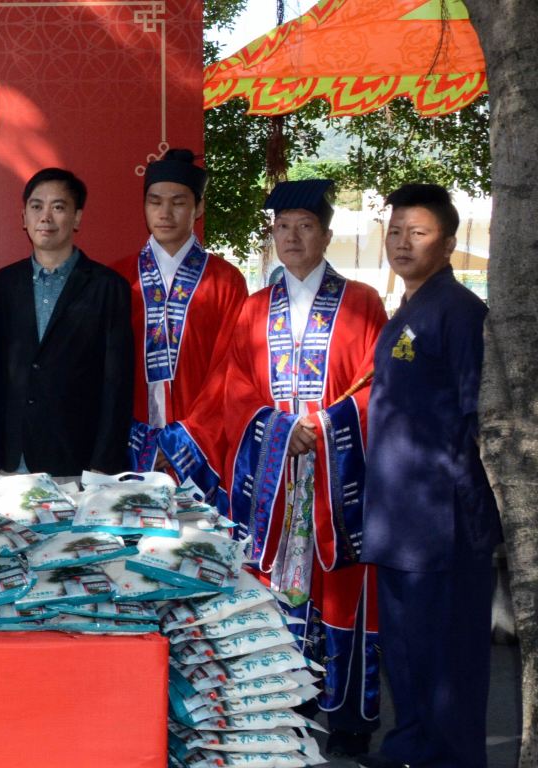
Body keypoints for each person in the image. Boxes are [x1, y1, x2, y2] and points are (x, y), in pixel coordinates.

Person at [152, 180, 388, 755]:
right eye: (283, 227)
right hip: (275, 479)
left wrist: (323, 428)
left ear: (326, 234)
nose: (293, 237)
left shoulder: (361, 303)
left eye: (305, 226)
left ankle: (349, 720)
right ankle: (284, 707)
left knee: (341, 589)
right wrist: (280, 431)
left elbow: (377, 385)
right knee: (277, 589)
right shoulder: (254, 309)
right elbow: (231, 388)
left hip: (336, 479)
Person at [362, 183, 500, 768]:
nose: (403, 243)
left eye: (418, 233)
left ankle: (448, 758)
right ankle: (408, 750)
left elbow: (479, 420)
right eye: (395, 231)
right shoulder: (408, 309)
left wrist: (469, 518)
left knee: (448, 662)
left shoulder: (461, 313)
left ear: (447, 244)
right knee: (407, 653)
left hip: (442, 524)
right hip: (398, 520)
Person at [0, 168, 133, 475]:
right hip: (11, 458)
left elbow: (117, 385)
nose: (45, 217)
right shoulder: (2, 284)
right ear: (24, 217)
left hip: (76, 460)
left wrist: (102, 466)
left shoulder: (108, 287)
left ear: (77, 217)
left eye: (58, 207)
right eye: (36, 206)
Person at [118, 148, 247, 469]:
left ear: (198, 207)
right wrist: (131, 435)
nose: (165, 213)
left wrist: (187, 436)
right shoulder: (118, 277)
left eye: (178, 203)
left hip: (200, 442)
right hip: (128, 439)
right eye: (155, 202)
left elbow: (230, 370)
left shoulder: (225, 281)